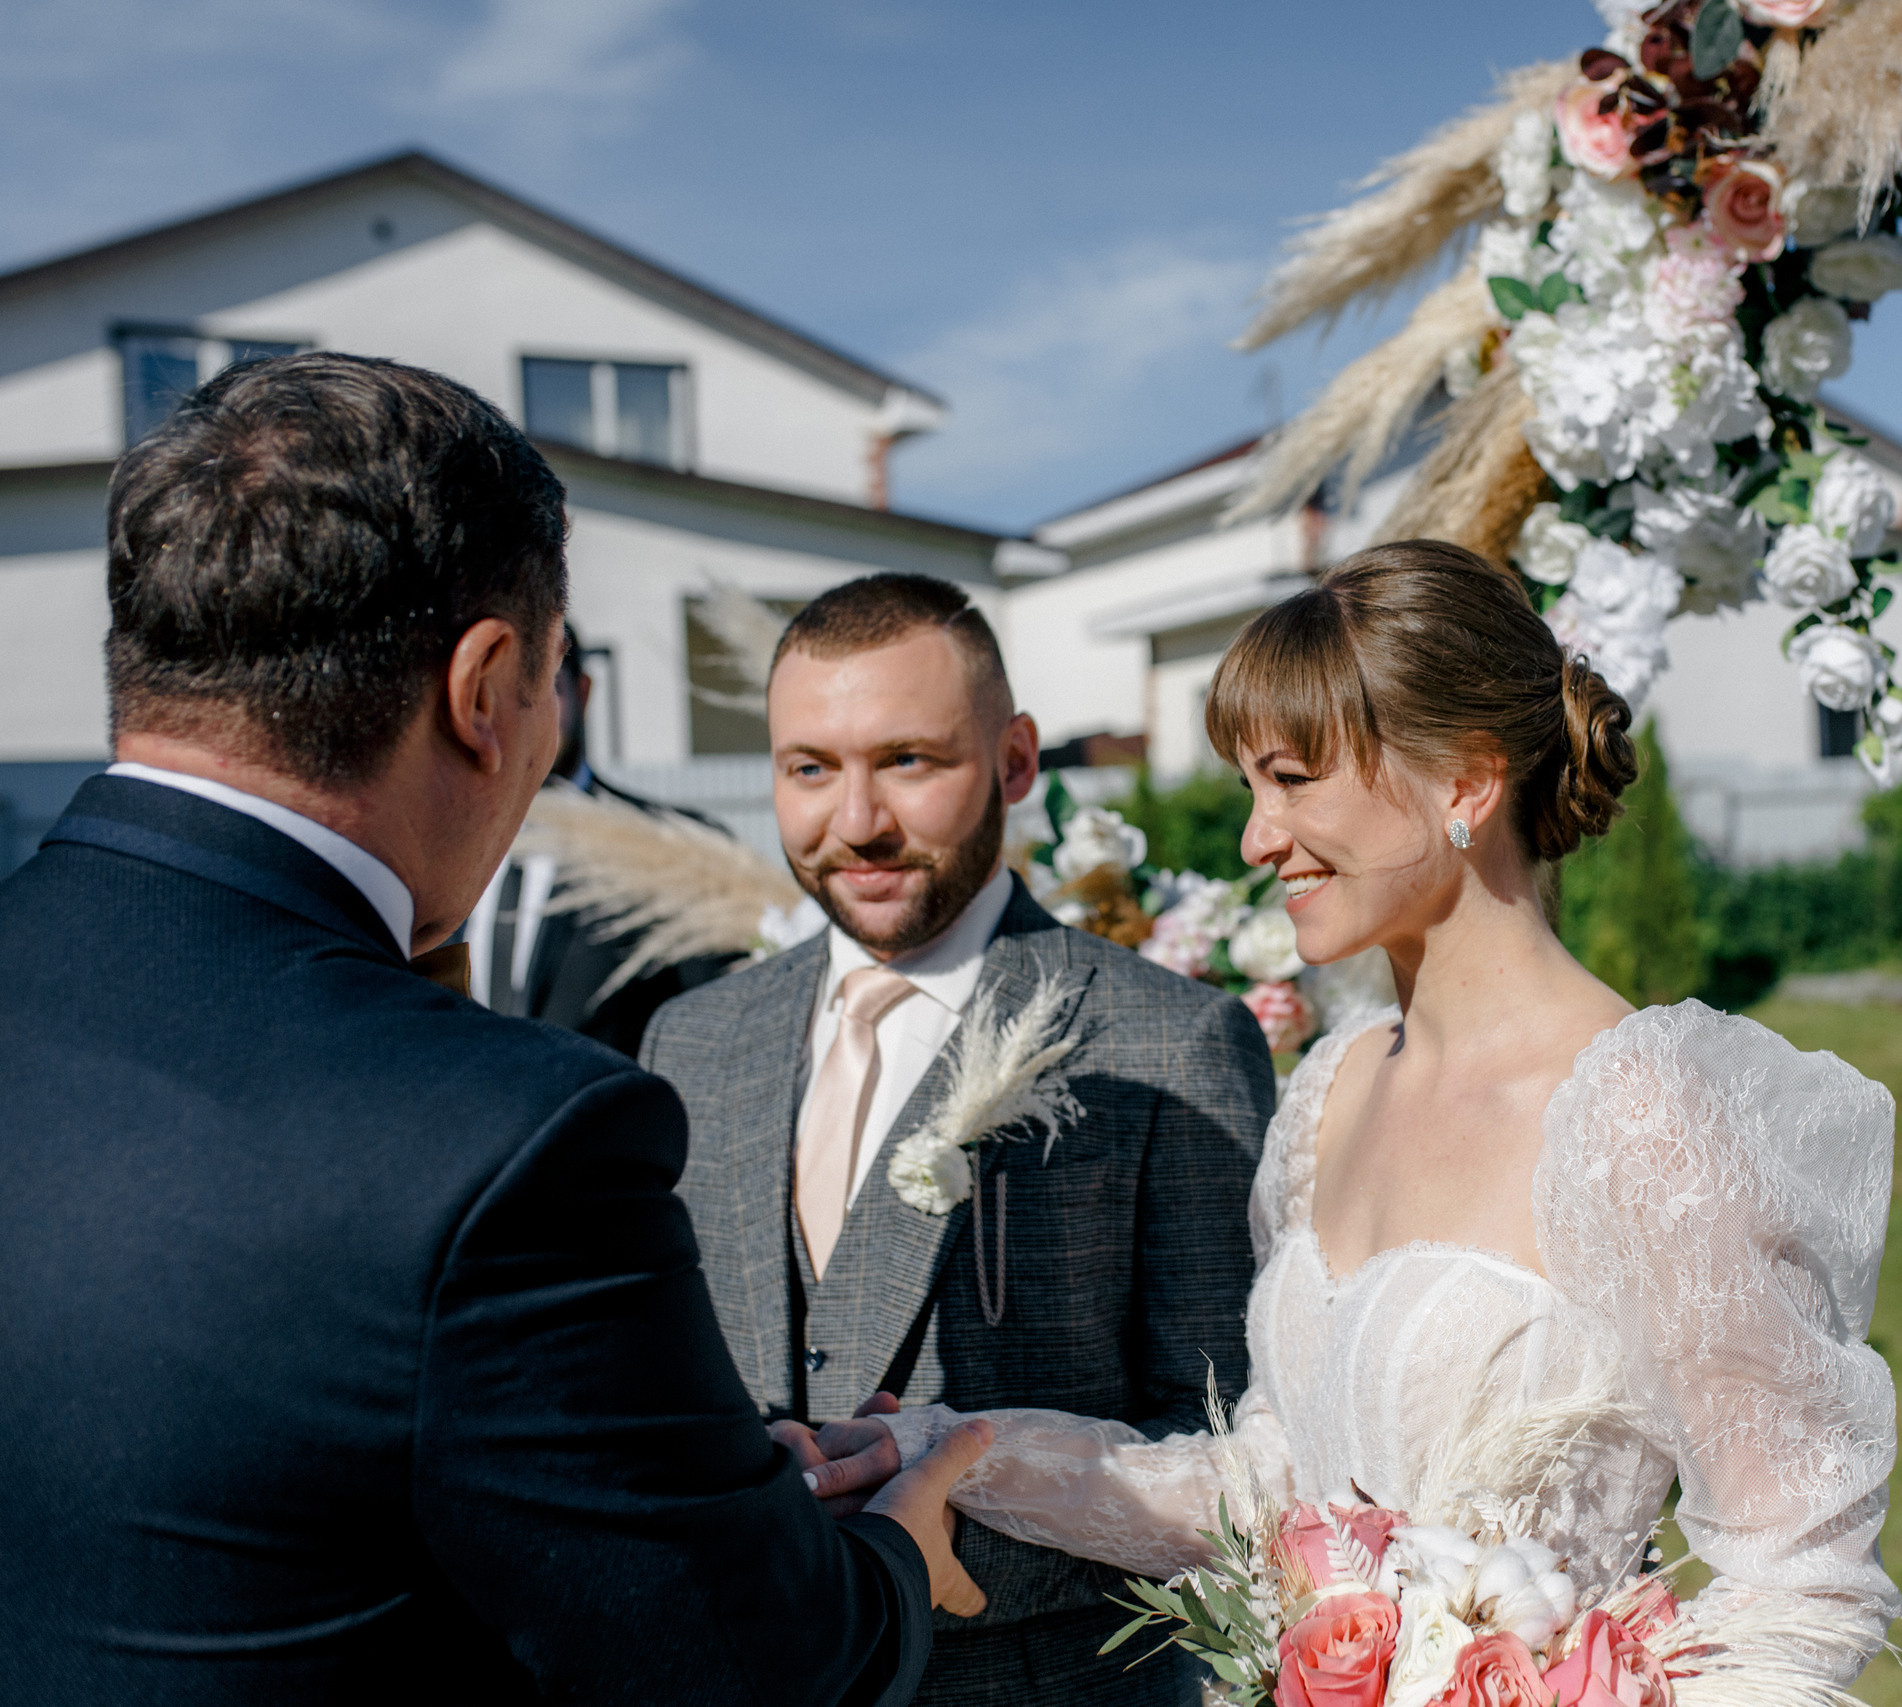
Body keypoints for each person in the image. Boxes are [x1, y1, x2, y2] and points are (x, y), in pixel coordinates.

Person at [0, 351, 986, 1704]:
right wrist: (890, 1552)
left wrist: (666, 1468)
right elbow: (753, 1665)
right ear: (486, 685)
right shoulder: (501, 1139)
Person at [816, 540, 1902, 1691]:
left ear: (1466, 783)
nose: (1256, 837)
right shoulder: (1328, 1090)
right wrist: (949, 1451)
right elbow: (1270, 1486)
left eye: (1292, 779)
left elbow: (1802, 1577)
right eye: (1251, 788)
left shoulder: (1644, 1114)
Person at [640, 572, 1273, 1707]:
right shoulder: (692, 1040)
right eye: (809, 769)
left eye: (908, 761)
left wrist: (943, 1549)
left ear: (1015, 761)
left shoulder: (1170, 1043)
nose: (857, 822)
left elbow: (1229, 1447)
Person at [463, 620, 740, 1055]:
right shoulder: (439, 852)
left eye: (540, 687)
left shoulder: (671, 849)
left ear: (583, 692)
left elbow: (718, 1039)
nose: (518, 714)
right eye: (495, 692)